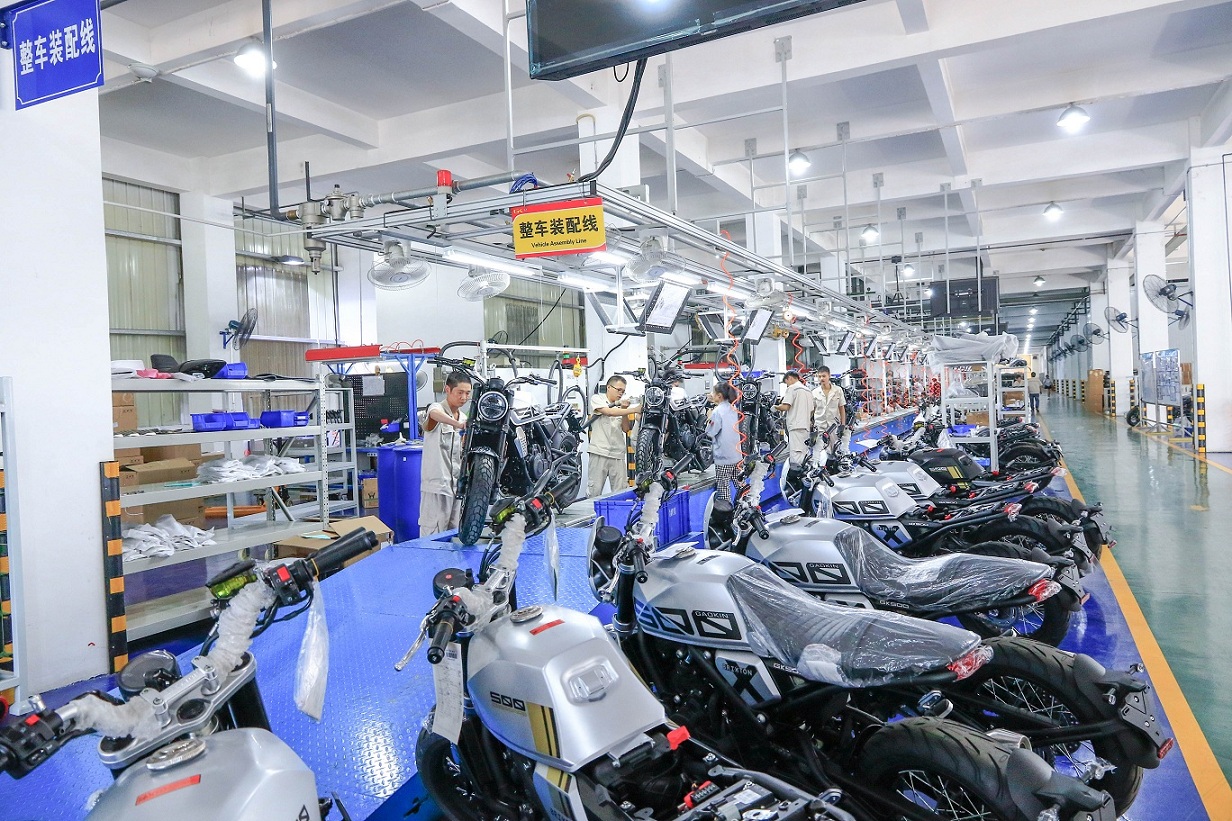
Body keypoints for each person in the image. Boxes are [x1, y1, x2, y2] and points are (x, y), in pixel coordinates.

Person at [419, 371, 471, 537]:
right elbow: (433, 414)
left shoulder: (464, 417)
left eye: (467, 393)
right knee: (432, 533)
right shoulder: (436, 408)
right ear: (448, 390)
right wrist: (457, 424)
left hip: (456, 487)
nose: (464, 397)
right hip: (437, 486)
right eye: (460, 392)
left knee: (453, 532)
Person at [588, 375, 640, 497]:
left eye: (623, 391)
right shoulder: (597, 399)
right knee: (594, 492)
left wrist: (624, 410)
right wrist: (633, 410)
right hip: (599, 452)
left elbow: (626, 428)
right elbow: (609, 412)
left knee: (620, 493)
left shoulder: (620, 407)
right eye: (618, 390)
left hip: (617, 454)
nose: (620, 393)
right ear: (609, 387)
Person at [706, 382, 743, 504]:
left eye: (713, 393)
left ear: (719, 395)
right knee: (741, 486)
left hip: (723, 458)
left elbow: (711, 432)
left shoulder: (717, 411)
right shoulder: (734, 408)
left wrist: (709, 417)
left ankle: (726, 512)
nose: (712, 395)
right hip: (737, 456)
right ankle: (746, 507)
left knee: (724, 490)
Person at [775, 370, 814, 482]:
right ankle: (806, 479)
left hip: (796, 426)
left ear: (790, 378)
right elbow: (812, 410)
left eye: (786, 382)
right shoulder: (808, 390)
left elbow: (785, 407)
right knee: (804, 452)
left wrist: (775, 407)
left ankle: (795, 481)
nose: (787, 385)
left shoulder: (792, 388)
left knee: (796, 455)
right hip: (805, 427)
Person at [811, 366, 847, 455]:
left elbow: (841, 408)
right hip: (820, 426)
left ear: (829, 376)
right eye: (819, 376)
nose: (821, 379)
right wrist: (810, 424)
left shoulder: (838, 390)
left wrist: (843, 425)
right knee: (820, 452)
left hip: (834, 426)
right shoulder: (814, 392)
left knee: (835, 451)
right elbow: (812, 410)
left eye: (824, 376)